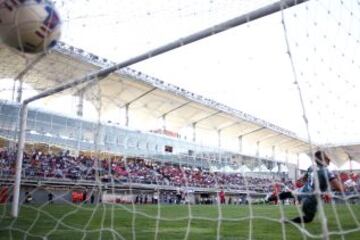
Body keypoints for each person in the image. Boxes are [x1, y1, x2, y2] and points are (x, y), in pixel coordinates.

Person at [274, 150, 344, 223]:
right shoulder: (326, 171)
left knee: (288, 194)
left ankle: (271, 199)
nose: (329, 159)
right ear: (324, 159)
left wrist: (302, 181)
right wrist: (328, 190)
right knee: (308, 218)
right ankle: (287, 221)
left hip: (303, 192)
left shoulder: (311, 167)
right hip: (311, 199)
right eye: (327, 157)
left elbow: (304, 178)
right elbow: (339, 188)